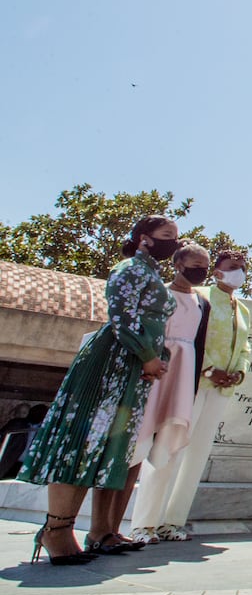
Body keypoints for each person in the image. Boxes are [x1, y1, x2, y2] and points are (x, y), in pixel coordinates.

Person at [18, 215, 177, 565]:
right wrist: (148, 355)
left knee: (105, 446)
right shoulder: (129, 268)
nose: (174, 243)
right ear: (143, 238)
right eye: (167, 236)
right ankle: (56, 529)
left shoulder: (152, 275)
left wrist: (154, 359)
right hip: (110, 363)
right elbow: (122, 314)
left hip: (132, 370)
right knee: (83, 439)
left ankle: (88, 530)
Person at [124, 242, 213, 544]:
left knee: (169, 447)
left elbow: (199, 344)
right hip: (155, 369)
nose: (200, 270)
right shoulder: (159, 293)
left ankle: (155, 522)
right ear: (178, 264)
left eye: (205, 265)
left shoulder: (203, 303)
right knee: (137, 444)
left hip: (183, 374)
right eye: (195, 264)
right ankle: (134, 525)